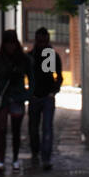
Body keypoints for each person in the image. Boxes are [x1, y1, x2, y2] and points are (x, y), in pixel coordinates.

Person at [0, 28, 31, 174]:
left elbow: (31, 78)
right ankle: (1, 161)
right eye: (7, 43)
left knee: (16, 130)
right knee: (2, 129)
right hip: (2, 97)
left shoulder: (24, 59)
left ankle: (15, 159)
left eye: (12, 43)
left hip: (17, 97)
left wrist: (27, 94)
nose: (10, 46)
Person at [28, 27, 62, 169]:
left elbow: (58, 76)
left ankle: (46, 157)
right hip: (35, 97)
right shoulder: (31, 56)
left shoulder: (51, 56)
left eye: (43, 41)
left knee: (47, 127)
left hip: (47, 97)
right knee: (33, 128)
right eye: (39, 41)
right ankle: (35, 151)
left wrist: (53, 92)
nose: (41, 43)